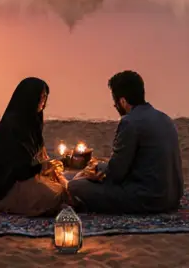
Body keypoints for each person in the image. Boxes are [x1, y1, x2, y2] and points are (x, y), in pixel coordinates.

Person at [68, 71, 182, 214]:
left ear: (122, 101)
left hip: (148, 200)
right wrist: (101, 165)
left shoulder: (130, 122)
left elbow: (116, 174)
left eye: (115, 103)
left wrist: (95, 173)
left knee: (74, 186)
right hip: (172, 198)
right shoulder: (165, 118)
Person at [0, 77, 69, 216]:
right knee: (56, 195)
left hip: (30, 176)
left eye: (45, 97)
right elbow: (21, 169)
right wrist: (43, 166)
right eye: (41, 97)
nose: (43, 102)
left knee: (65, 181)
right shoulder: (13, 126)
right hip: (11, 186)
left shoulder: (33, 121)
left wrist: (51, 166)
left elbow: (38, 156)